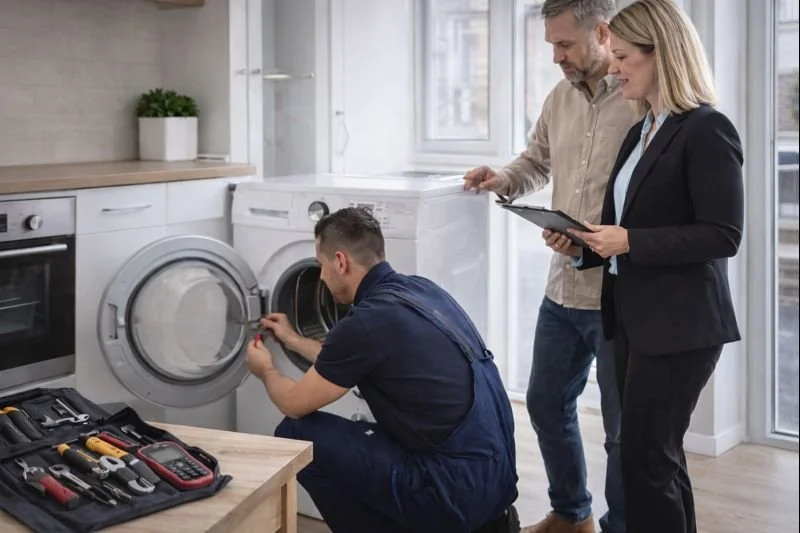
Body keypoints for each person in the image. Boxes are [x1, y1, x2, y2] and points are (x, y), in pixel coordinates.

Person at [563, 1, 744, 532]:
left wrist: (629, 241)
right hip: (632, 321)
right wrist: (579, 243)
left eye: (622, 57)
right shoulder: (643, 131)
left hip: (680, 327)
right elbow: (622, 229)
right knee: (656, 460)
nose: (613, 68)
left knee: (643, 464)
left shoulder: (707, 129)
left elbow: (722, 234)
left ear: (660, 54)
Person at [464, 1, 636, 532]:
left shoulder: (639, 99)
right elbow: (536, 161)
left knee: (620, 428)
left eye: (564, 44)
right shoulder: (558, 98)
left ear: (602, 33)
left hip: (615, 294)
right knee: (543, 403)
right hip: (560, 290)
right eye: (551, 45)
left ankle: (623, 525)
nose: (556, 56)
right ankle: (571, 512)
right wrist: (503, 179)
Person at [244, 207, 520, 533]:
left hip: (452, 493)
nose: (320, 276)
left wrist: (266, 371)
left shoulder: (364, 323)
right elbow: (346, 357)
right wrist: (292, 339)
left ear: (341, 262)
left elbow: (292, 402)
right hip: (494, 483)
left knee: (295, 435)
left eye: (321, 265)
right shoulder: (421, 291)